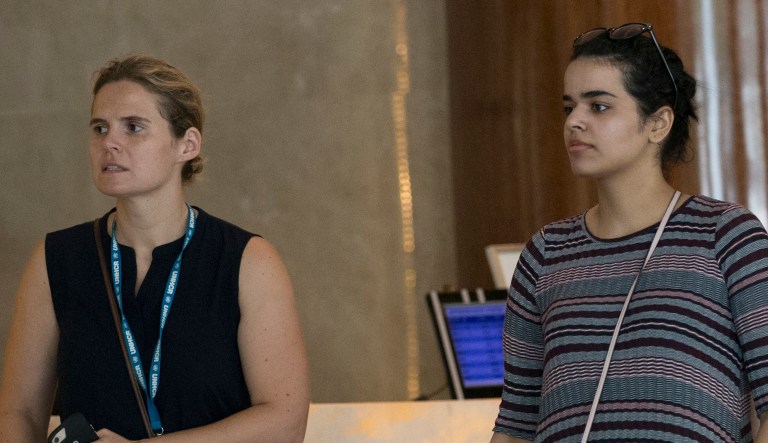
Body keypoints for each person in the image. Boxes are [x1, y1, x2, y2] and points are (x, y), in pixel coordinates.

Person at [0, 55, 310, 442]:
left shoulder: (248, 262)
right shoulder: (56, 260)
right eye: (99, 128)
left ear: (187, 145)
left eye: (133, 127)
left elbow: (285, 423)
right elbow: (20, 413)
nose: (109, 143)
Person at [491, 23, 768, 442]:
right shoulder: (546, 252)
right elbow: (515, 424)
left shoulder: (727, 235)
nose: (575, 122)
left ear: (658, 124)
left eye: (599, 106)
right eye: (569, 108)